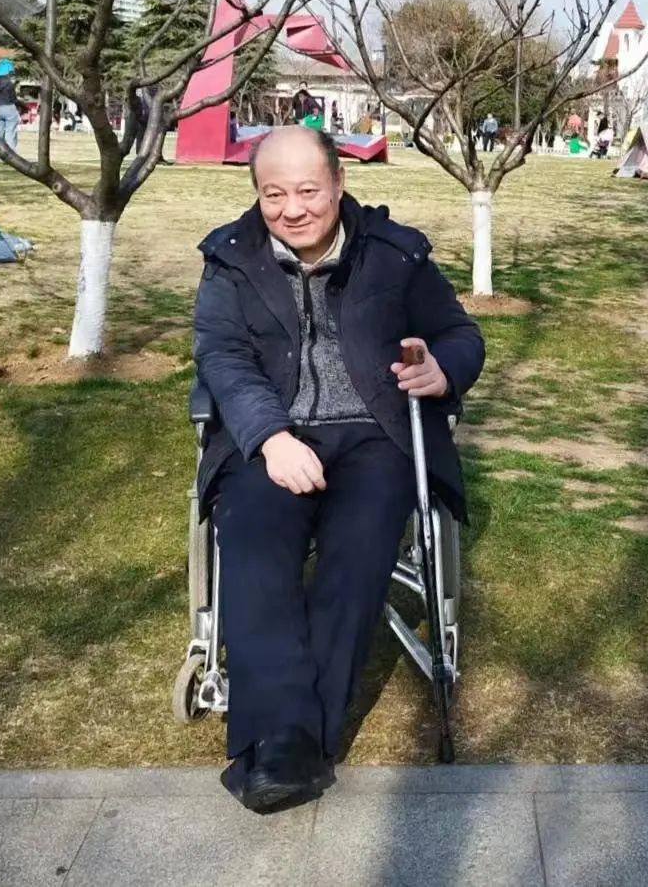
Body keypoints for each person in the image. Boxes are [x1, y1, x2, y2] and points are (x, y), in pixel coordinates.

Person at [193, 125, 485, 812]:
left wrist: (442, 369)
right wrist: (270, 437)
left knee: (359, 546)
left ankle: (286, 742)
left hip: (376, 433)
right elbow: (222, 356)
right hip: (275, 434)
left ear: (338, 183)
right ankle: (288, 737)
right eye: (274, 194)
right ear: (256, 193)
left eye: (307, 191)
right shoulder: (230, 258)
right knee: (254, 535)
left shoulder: (394, 252)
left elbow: (459, 333)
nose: (292, 208)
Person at [0, 58, 19, 151]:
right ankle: (12, 155)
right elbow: (13, 98)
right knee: (11, 133)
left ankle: (0, 154)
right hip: (9, 108)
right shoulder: (9, 83)